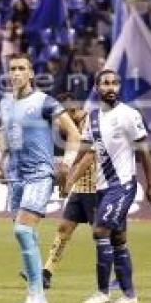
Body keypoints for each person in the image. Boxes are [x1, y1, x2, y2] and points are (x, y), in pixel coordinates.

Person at [68, 69, 151, 303]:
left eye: (115, 83)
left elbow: (144, 150)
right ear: (97, 88)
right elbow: (87, 148)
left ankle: (102, 292)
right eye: (106, 83)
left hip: (123, 185)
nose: (111, 88)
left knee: (100, 232)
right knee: (118, 239)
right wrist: (70, 170)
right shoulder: (93, 118)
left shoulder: (129, 115)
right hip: (102, 186)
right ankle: (129, 296)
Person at [0, 53, 80, 303]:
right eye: (12, 69)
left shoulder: (44, 102)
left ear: (31, 74)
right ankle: (34, 295)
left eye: (22, 68)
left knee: (22, 231)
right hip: (15, 176)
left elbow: (74, 134)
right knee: (27, 234)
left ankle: (37, 296)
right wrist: (0, 162)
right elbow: (10, 137)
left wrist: (66, 164)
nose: (16, 73)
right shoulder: (5, 104)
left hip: (39, 173)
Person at [40, 102, 97, 289]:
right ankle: (46, 272)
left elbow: (88, 156)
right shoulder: (76, 127)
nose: (59, 125)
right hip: (80, 188)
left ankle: (118, 275)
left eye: (61, 119)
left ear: (72, 111)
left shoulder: (92, 123)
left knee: (104, 235)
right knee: (64, 229)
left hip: (97, 188)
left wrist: (68, 179)